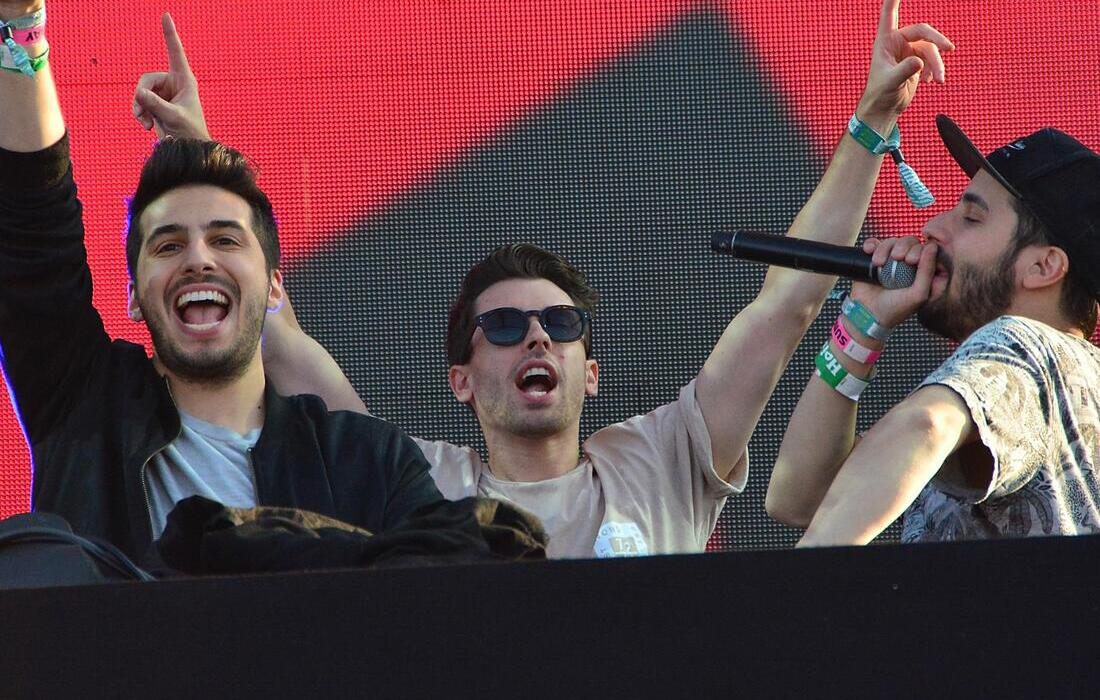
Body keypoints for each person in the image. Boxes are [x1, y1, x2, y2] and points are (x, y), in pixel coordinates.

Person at [133, 1, 952, 557]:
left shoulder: (663, 460)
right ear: (460, 379)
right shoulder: (419, 484)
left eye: (561, 326)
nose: (535, 337)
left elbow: (788, 302)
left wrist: (873, 120)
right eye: (503, 327)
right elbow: (276, 330)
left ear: (590, 371)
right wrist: (201, 161)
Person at [0, 0, 444, 562]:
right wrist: (20, 24)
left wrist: (199, 148)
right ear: (134, 295)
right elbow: (34, 229)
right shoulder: (87, 404)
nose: (198, 259)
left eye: (226, 240)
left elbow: (449, 587)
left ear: (276, 287)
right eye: (168, 245)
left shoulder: (365, 460)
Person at [766, 122, 1100, 544]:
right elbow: (800, 499)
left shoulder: (1024, 344)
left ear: (1043, 267)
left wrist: (800, 579)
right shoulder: (1071, 376)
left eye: (972, 218)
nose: (935, 227)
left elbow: (924, 424)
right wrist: (862, 324)